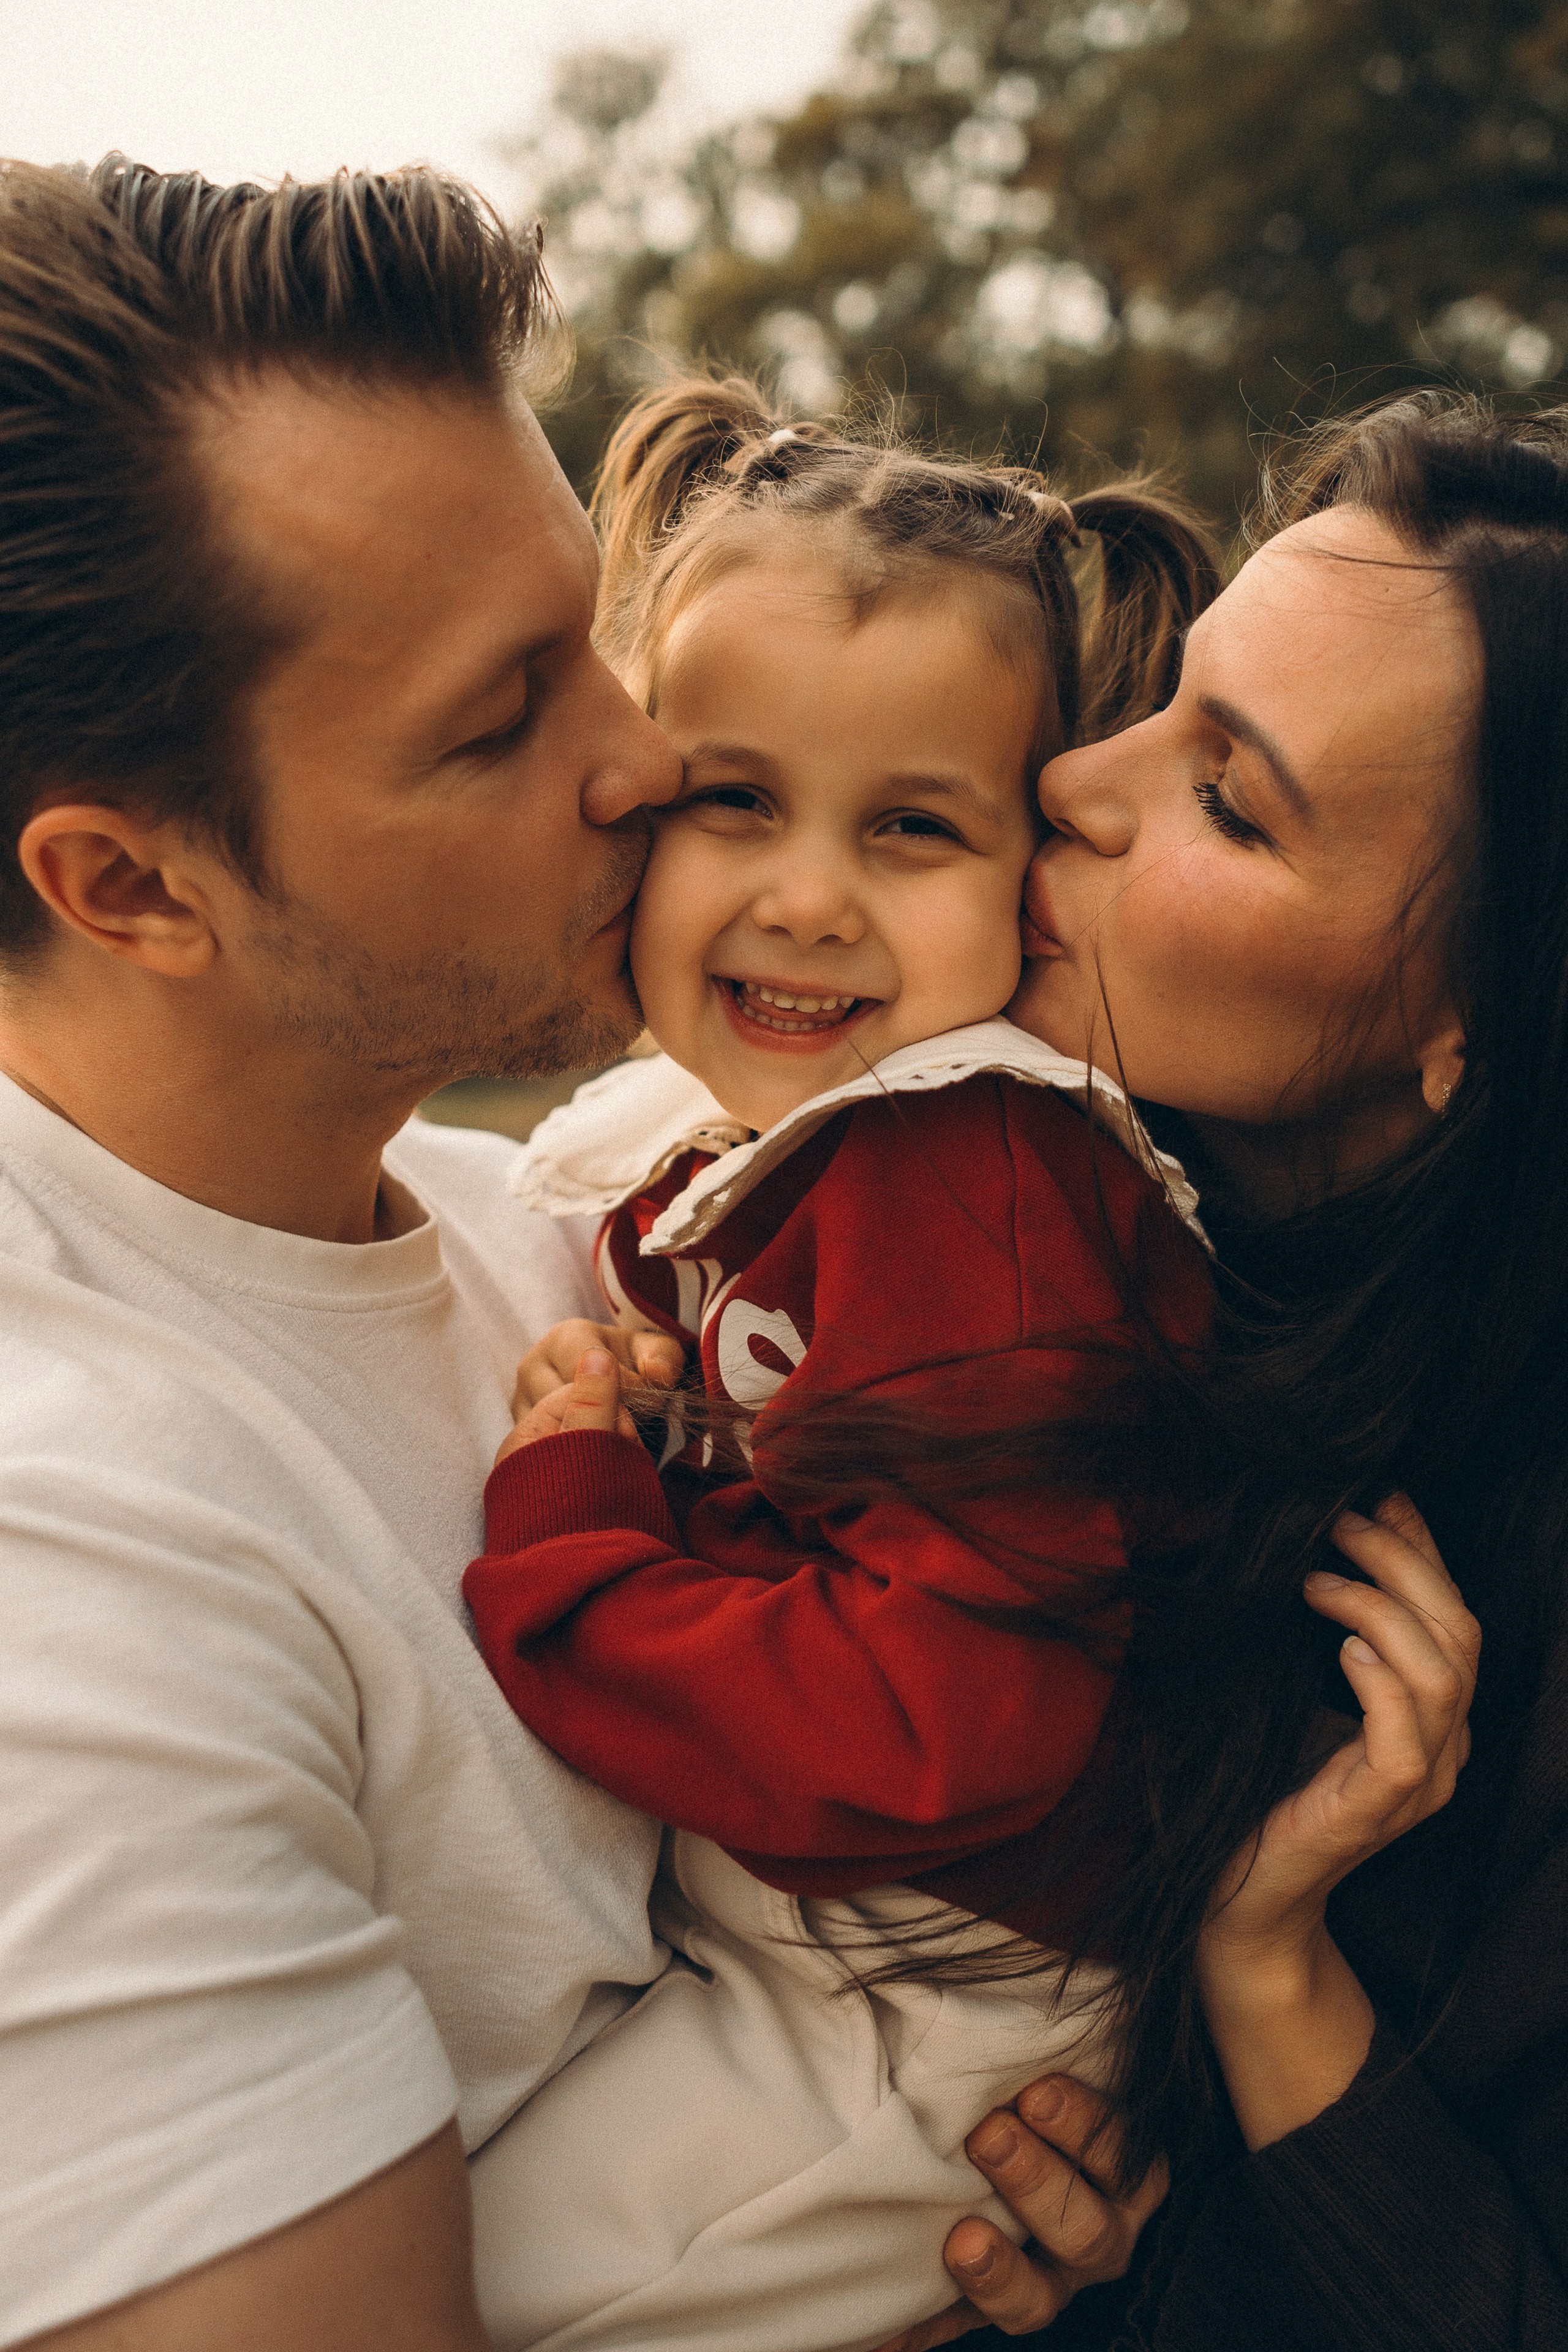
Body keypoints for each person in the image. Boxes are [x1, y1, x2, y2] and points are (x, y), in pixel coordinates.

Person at [456, 380, 1218, 2351]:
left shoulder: (982, 1176)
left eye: (911, 827)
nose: (807, 895)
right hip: (812, 1935)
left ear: (1033, 867)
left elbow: (933, 1717)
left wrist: (576, 1538)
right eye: (737, 799)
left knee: (448, 2299)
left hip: (930, 2003)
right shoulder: (753, 1148)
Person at [881, 393, 1567, 2351]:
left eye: (1229, 799)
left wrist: (1266, 1981)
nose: (1076, 783)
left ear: (1477, 1021)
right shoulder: (972, 1206)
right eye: (1166, 705)